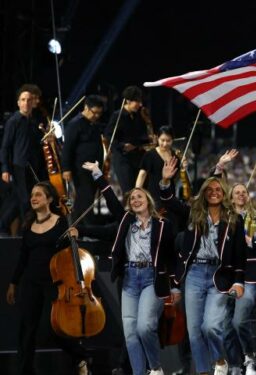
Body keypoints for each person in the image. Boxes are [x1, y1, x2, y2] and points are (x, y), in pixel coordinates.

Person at [72, 161, 178, 375]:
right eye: (132, 198)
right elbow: (111, 200)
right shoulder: (126, 221)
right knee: (130, 334)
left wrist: (175, 285)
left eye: (140, 196)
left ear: (148, 201)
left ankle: (155, 368)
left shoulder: (163, 225)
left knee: (144, 327)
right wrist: (97, 174)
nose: (135, 199)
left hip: (152, 278)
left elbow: (171, 256)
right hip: (129, 278)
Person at [160, 157, 245, 375]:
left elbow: (239, 255)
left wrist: (238, 281)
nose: (214, 192)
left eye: (218, 189)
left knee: (211, 326)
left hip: (220, 275)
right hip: (195, 274)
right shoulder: (193, 213)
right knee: (194, 330)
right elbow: (168, 201)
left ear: (224, 193)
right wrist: (166, 181)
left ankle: (219, 360)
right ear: (204, 193)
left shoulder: (234, 218)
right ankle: (204, 371)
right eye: (210, 189)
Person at [5, 182, 89, 375]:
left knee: (56, 328)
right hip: (30, 282)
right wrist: (13, 282)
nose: (33, 198)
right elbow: (23, 257)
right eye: (32, 195)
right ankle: (25, 370)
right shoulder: (27, 225)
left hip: (55, 283)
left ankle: (81, 357)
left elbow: (73, 251)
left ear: (50, 199)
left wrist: (71, 216)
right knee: (27, 329)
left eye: (39, 195)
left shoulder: (61, 223)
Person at [223, 182, 256, 375]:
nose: (241, 195)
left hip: (249, 274)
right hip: (227, 275)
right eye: (237, 192)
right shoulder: (224, 218)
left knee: (239, 321)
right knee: (225, 323)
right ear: (231, 198)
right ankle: (234, 364)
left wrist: (252, 241)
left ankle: (249, 356)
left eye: (244, 192)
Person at [1, 84, 48, 221]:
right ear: (18, 103)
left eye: (29, 100)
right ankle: (26, 229)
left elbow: (38, 144)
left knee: (25, 199)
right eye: (23, 100)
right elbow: (5, 147)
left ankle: (4, 226)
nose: (26, 103)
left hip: (33, 166)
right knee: (25, 200)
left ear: (32, 102)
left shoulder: (34, 122)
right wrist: (5, 169)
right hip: (19, 166)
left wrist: (47, 136)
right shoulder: (13, 121)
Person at [61, 95, 105, 224]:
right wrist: (66, 168)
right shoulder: (75, 124)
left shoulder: (94, 125)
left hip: (94, 168)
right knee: (86, 198)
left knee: (84, 200)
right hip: (80, 168)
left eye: (99, 113)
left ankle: (77, 229)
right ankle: (88, 229)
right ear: (86, 108)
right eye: (94, 112)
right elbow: (67, 148)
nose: (97, 116)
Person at [105, 86, 151, 193]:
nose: (140, 104)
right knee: (129, 191)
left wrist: (148, 139)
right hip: (123, 160)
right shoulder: (117, 115)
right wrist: (122, 146)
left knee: (141, 189)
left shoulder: (138, 115)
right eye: (137, 101)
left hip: (138, 158)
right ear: (128, 100)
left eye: (141, 101)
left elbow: (142, 136)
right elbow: (108, 136)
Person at [136, 126, 178, 210]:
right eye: (162, 140)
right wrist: (137, 192)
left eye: (168, 141)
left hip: (170, 195)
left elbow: (175, 178)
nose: (165, 144)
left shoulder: (175, 156)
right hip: (154, 196)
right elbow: (142, 175)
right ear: (157, 138)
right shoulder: (150, 155)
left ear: (172, 140)